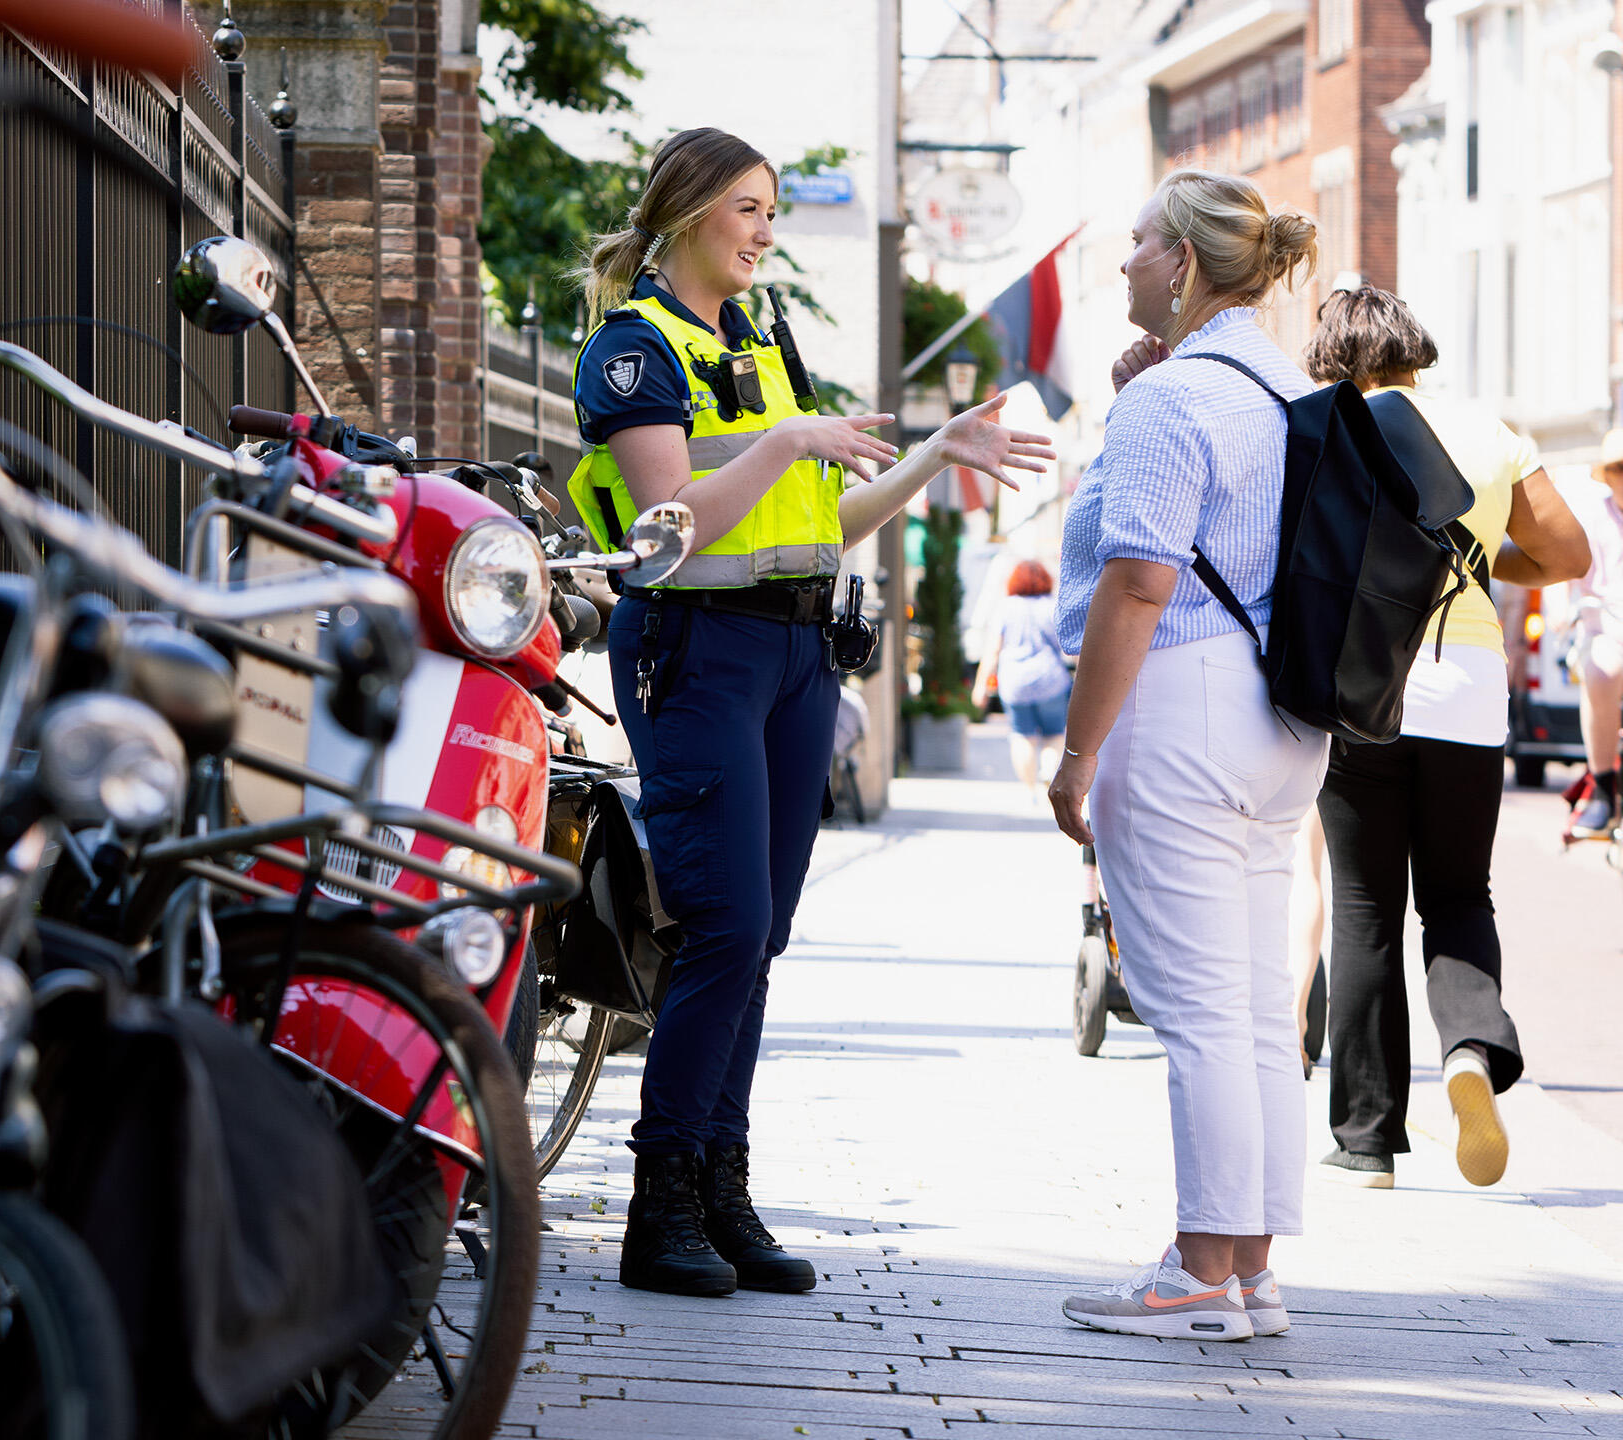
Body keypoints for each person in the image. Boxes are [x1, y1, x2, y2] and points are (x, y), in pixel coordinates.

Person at [567, 127, 1053, 1298]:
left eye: (771, 209)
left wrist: (935, 453)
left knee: (763, 938)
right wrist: (785, 437)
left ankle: (721, 1187)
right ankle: (660, 1196)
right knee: (722, 926)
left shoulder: (764, 339)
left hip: (793, 656)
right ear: (685, 212)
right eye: (745, 208)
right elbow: (668, 520)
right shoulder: (634, 351)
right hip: (695, 652)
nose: (763, 230)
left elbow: (820, 523)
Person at [1044, 169, 1323, 1342]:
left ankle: (1198, 1272)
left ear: (1189, 265)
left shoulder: (1170, 404)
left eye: (1142, 240)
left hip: (1183, 707)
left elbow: (1140, 579)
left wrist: (1075, 752)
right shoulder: (1285, 388)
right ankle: (1248, 1268)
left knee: (1201, 1009)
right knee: (1259, 1009)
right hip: (1281, 719)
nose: (1124, 261)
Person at [1300, 288, 1587, 1190]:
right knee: (1461, 894)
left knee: (1364, 907)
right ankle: (1470, 1048)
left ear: (1337, 356)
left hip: (1363, 688)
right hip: (1465, 694)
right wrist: (1475, 548)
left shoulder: (1326, 426)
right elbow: (1568, 556)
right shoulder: (1490, 432)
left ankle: (1367, 1140)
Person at [1564, 432, 1623, 837]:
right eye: (1620, 468)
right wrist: (1561, 613)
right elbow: (1566, 571)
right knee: (1603, 670)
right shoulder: (1592, 516)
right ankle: (1603, 788)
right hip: (1604, 631)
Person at [972, 559, 1071, 796]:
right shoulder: (1053, 606)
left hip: (1014, 682)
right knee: (1054, 735)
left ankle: (1030, 792)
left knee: (1022, 736)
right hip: (1051, 680)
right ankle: (1048, 773)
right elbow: (1068, 647)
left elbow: (993, 650)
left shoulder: (1006, 607)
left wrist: (981, 687)